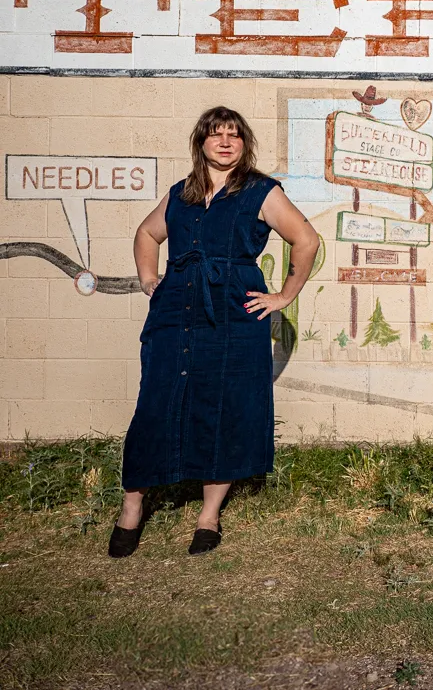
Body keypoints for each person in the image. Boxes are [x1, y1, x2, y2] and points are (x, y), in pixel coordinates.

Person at [109, 106, 320, 557]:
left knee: (222, 408)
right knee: (156, 403)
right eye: (215, 134)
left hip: (232, 315)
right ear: (200, 142)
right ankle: (132, 507)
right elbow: (147, 234)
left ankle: (209, 516)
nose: (225, 142)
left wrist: (283, 296)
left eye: (234, 135)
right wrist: (150, 278)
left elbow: (307, 240)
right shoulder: (180, 194)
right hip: (173, 314)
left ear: (245, 144)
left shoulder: (262, 191)